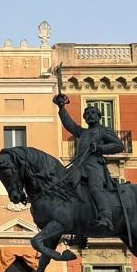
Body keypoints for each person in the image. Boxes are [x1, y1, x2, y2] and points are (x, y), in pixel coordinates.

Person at [54, 92, 125, 232]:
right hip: (79, 166)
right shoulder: (83, 132)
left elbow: (119, 145)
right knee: (63, 186)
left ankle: (106, 217)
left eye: (93, 113)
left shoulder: (103, 131)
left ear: (99, 116)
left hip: (94, 165)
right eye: (87, 114)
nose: (90, 115)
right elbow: (69, 125)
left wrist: (99, 148)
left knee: (95, 188)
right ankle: (74, 221)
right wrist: (62, 107)